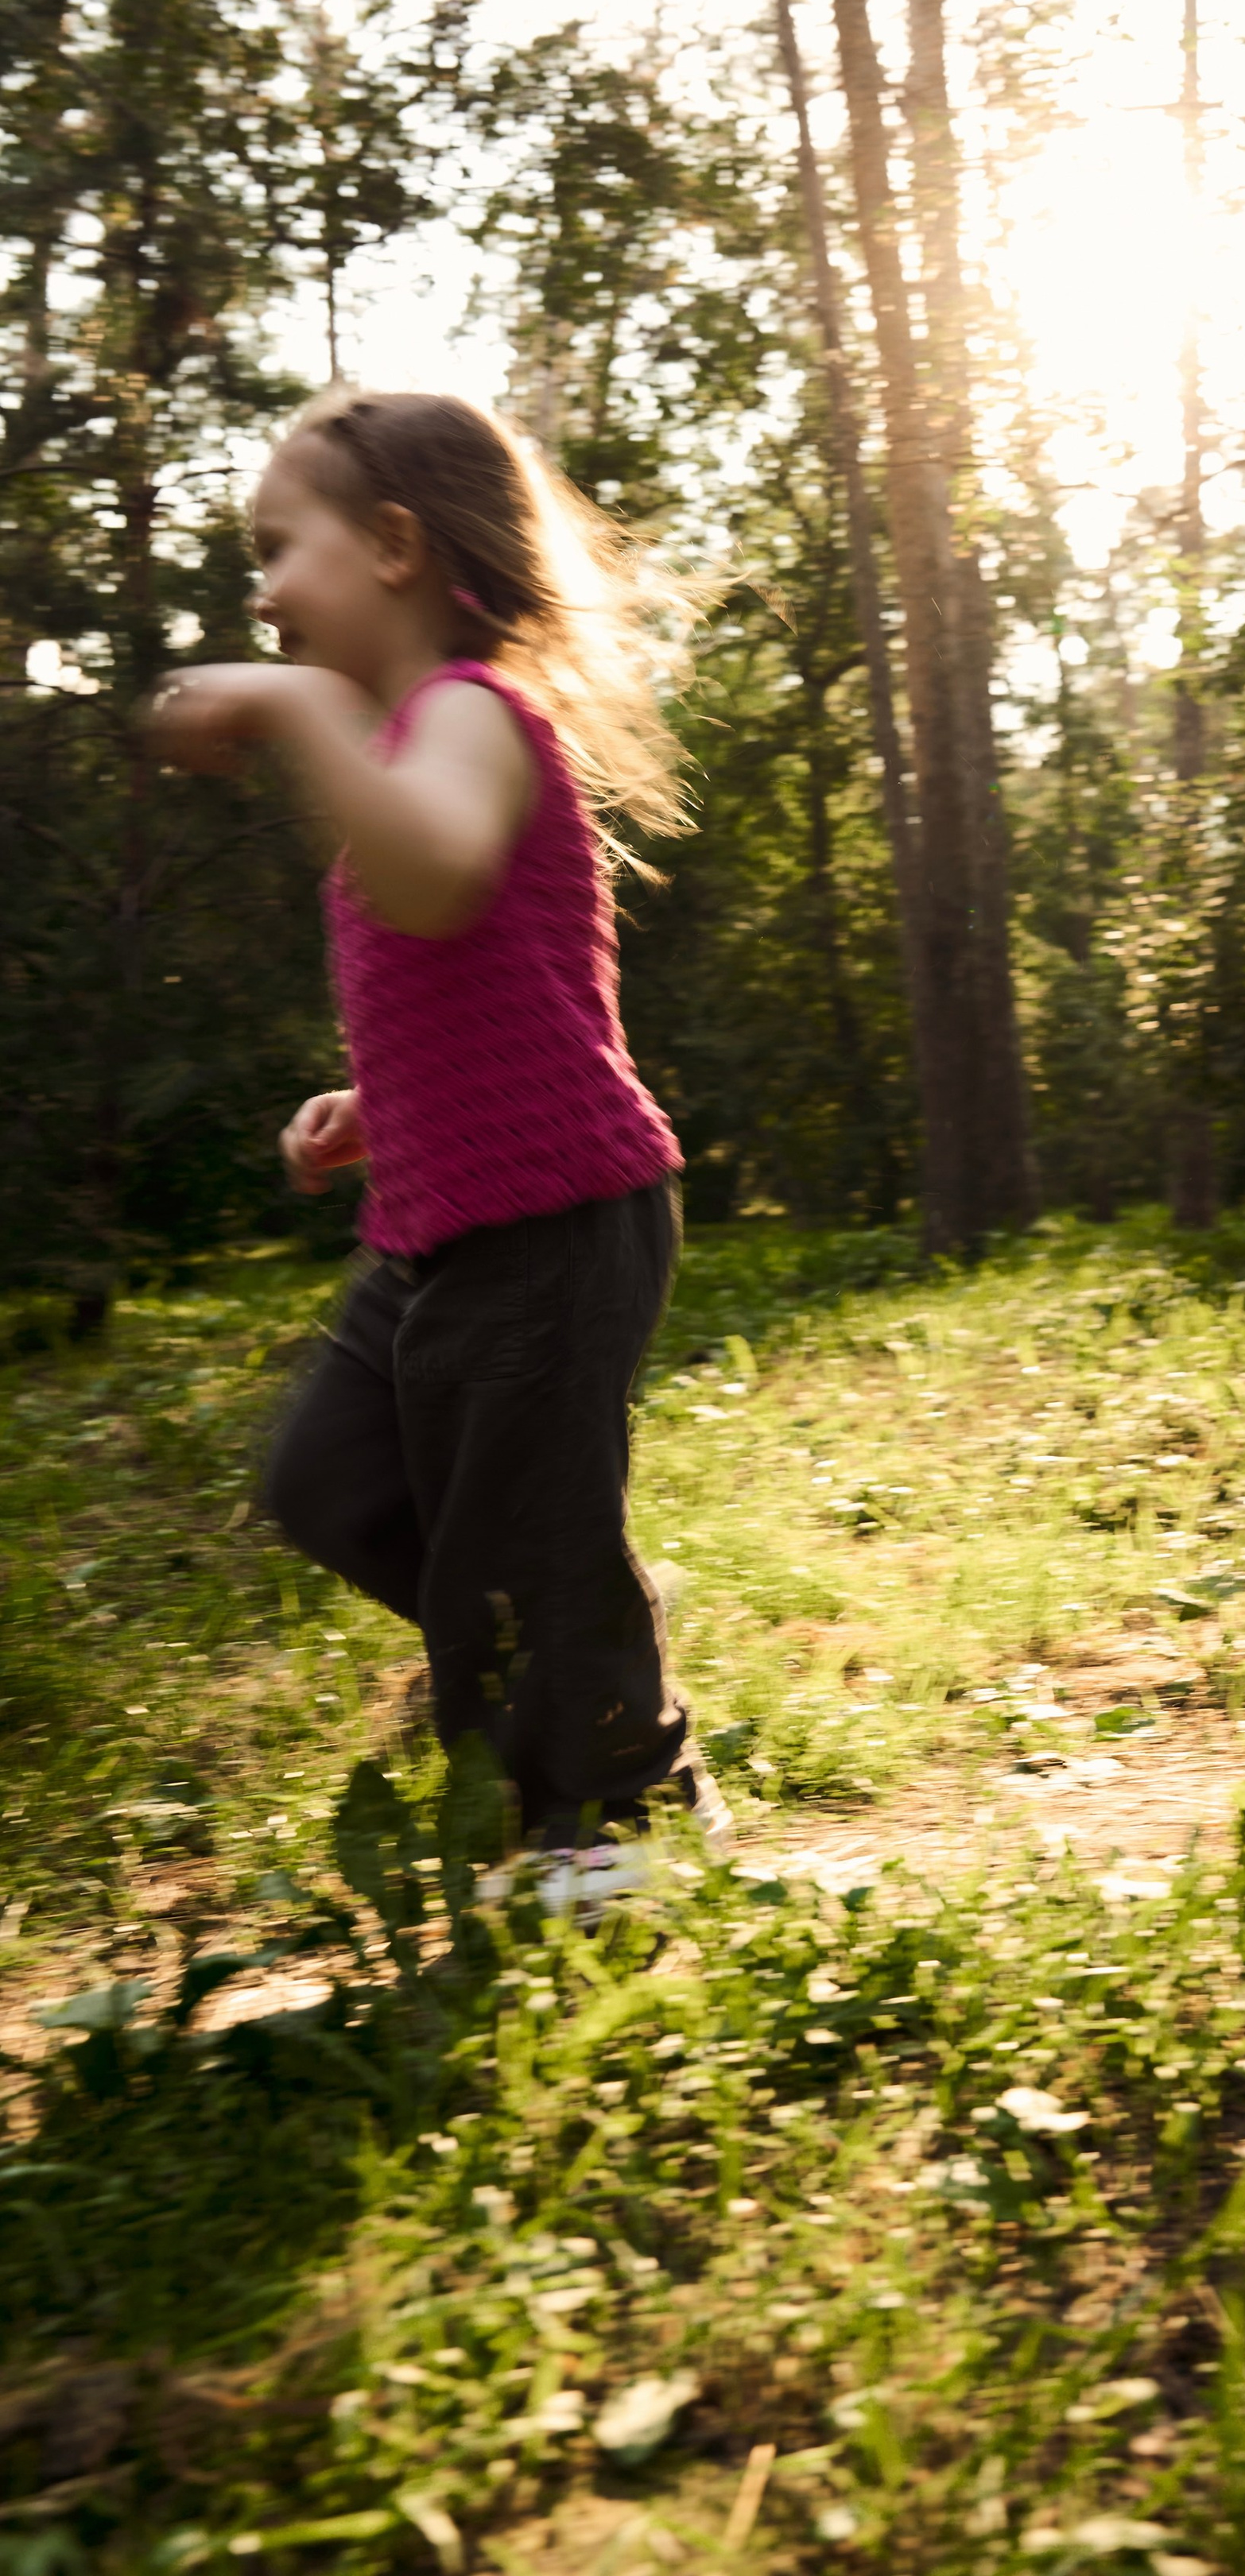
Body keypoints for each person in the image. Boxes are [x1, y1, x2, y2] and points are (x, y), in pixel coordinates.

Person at [149, 389, 731, 1899]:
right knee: (334, 1484)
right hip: (442, 1219)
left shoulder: (472, 710)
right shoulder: (410, 736)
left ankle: (609, 1820)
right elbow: (457, 961)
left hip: (553, 1220)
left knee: (514, 1541)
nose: (262, 593)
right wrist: (376, 1102)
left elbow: (438, 874)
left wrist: (293, 711)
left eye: (283, 547)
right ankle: (580, 1615)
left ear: (397, 543)